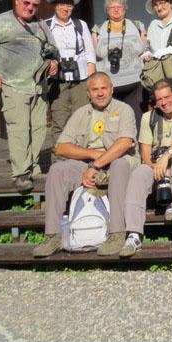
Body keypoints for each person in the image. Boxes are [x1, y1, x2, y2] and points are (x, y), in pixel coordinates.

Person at [33, 72, 138, 258]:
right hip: (89, 162)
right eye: (95, 89)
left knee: (119, 165)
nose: (100, 93)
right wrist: (91, 156)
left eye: (104, 88)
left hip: (119, 160)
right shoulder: (81, 113)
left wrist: (96, 165)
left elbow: (125, 143)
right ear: (88, 93)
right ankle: (53, 235)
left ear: (112, 89)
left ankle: (117, 234)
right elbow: (61, 147)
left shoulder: (124, 109)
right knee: (57, 170)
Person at [0, 0, 58, 192]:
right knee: (19, 129)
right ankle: (20, 174)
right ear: (17, 1)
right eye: (26, 3)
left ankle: (33, 168)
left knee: (38, 128)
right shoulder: (1, 22)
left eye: (35, 5)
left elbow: (53, 49)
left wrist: (54, 62)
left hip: (39, 86)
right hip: (13, 85)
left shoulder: (40, 24)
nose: (30, 8)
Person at [118, 79, 172, 258]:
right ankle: (133, 234)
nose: (164, 102)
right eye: (159, 99)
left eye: (167, 97)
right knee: (139, 173)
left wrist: (166, 156)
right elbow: (145, 153)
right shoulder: (148, 117)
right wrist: (157, 167)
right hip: (157, 165)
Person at [44, 0, 96, 156]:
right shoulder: (45, 26)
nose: (66, 8)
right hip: (57, 81)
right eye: (62, 4)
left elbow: (90, 52)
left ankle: (81, 156)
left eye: (69, 5)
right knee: (59, 120)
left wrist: (90, 78)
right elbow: (41, 52)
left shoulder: (80, 25)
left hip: (80, 79)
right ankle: (59, 158)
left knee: (82, 119)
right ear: (55, 6)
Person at [92, 0, 147, 129]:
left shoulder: (137, 25)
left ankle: (137, 142)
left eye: (119, 6)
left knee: (136, 117)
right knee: (113, 120)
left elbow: (144, 49)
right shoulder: (98, 29)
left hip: (134, 83)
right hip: (109, 85)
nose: (116, 10)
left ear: (125, 9)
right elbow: (95, 54)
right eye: (112, 7)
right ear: (107, 10)